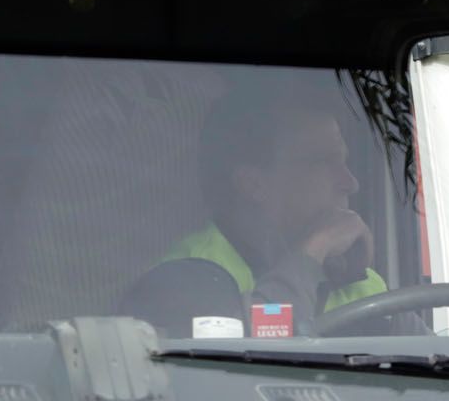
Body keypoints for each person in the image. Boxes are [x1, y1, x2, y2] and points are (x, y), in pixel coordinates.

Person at [124, 85, 386, 338]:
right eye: (323, 162)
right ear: (253, 184)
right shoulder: (184, 280)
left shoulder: (359, 282)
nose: (350, 183)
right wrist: (315, 249)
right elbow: (254, 356)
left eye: (343, 161)